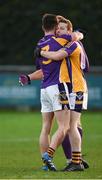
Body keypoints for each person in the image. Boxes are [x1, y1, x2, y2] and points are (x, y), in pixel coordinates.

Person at [19, 14, 84, 171]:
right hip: (59, 87)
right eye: (59, 28)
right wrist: (78, 34)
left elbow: (41, 70)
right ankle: (49, 155)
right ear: (56, 28)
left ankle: (45, 165)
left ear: (42, 28)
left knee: (46, 127)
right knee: (64, 126)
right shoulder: (62, 40)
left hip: (44, 88)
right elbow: (76, 36)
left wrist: (28, 77)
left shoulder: (40, 44)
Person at [39, 19, 89, 171]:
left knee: (71, 126)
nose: (58, 31)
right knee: (72, 126)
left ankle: (74, 161)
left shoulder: (72, 44)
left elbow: (58, 56)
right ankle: (76, 159)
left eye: (62, 28)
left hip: (77, 88)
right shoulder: (67, 41)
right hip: (72, 88)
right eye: (58, 28)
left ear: (69, 31)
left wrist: (40, 51)